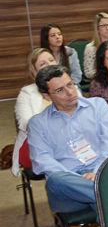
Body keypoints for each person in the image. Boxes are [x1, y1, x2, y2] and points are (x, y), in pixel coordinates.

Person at [27, 65, 108, 227]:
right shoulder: (38, 123)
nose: (69, 92)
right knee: (56, 179)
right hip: (67, 189)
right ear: (46, 96)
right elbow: (42, 162)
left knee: (105, 204)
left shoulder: (98, 106)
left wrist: (97, 172)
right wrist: (78, 178)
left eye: (70, 84)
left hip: (100, 173)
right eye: (60, 90)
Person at [13, 49, 74, 177]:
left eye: (51, 60)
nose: (49, 64)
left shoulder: (70, 86)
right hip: (38, 143)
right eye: (42, 64)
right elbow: (24, 122)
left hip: (72, 139)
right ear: (34, 71)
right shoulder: (27, 93)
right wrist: (53, 126)